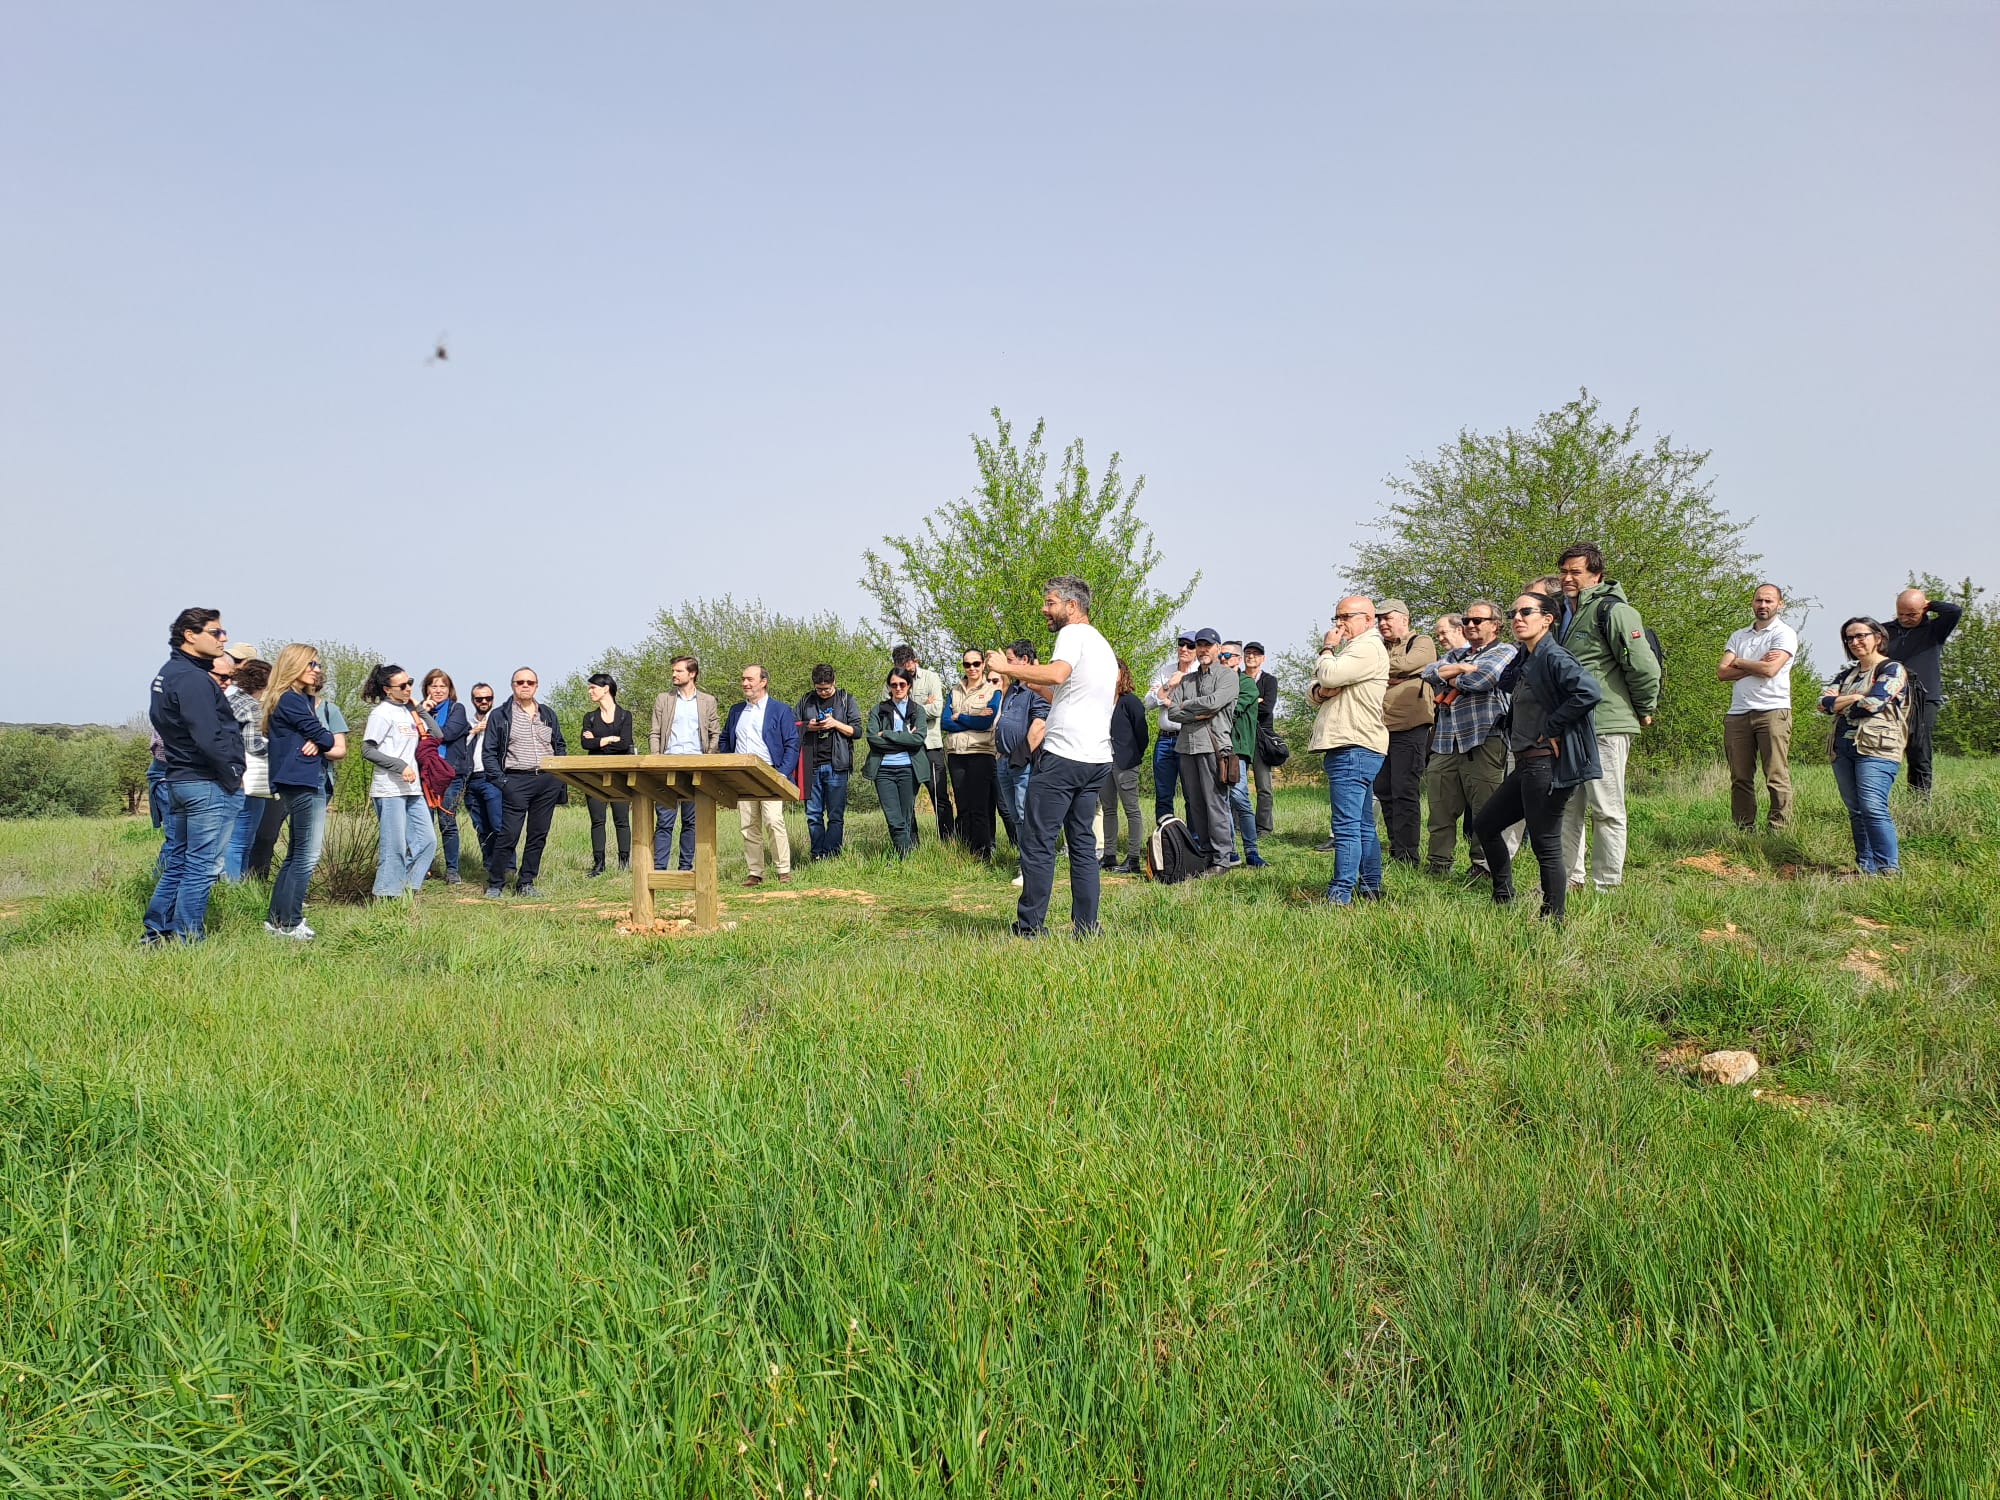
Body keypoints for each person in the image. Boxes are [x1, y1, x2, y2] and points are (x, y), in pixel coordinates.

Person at [995, 576, 1117, 938]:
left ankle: (1029, 928)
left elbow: (1058, 672)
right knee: (1081, 844)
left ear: (1072, 606)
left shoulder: (1072, 634)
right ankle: (1087, 928)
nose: (1044, 609)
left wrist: (1006, 667)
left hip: (1064, 756)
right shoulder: (1101, 645)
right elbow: (1067, 692)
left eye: (1050, 602)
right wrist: (1032, 683)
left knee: (1037, 841)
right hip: (1096, 758)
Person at [1473, 593, 1603, 924]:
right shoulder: (1529, 658)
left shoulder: (1555, 657)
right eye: (1513, 613)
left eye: (1526, 612)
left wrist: (1553, 726)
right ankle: (1503, 898)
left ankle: (1553, 918)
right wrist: (1522, 651)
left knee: (1546, 843)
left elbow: (1589, 692)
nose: (1517, 618)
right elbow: (1504, 682)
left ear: (1547, 619)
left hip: (1546, 764)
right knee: (1486, 825)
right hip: (1527, 764)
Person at [1555, 542, 1661, 893]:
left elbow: (1643, 666)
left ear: (1596, 575)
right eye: (1564, 571)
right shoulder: (1560, 611)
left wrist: (1644, 708)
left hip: (1607, 722)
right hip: (1568, 724)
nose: (1567, 578)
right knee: (1568, 808)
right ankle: (1569, 880)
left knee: (1606, 808)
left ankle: (1606, 886)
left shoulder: (1614, 611)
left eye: (1576, 572)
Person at [143, 607, 244, 945]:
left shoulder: (169, 673)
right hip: (206, 782)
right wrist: (233, 773)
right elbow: (208, 735)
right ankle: (187, 940)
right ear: (190, 635)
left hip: (180, 779)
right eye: (216, 632)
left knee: (178, 862)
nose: (223, 638)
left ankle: (156, 934)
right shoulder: (193, 679)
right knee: (201, 866)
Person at [1419, 601, 1515, 878]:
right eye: (1466, 620)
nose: (1470, 625)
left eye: (1477, 620)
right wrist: (1462, 669)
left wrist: (1450, 677)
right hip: (1445, 741)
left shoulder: (1506, 651)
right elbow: (1427, 673)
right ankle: (1439, 865)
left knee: (1486, 810)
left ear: (1495, 625)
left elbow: (1483, 680)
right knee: (1440, 810)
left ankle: (1483, 868)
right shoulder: (1456, 654)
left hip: (1484, 739)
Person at [1308, 598, 1390, 904]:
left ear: (1368, 619)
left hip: (1352, 746)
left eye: (1346, 616)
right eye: (1337, 617)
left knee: (1345, 827)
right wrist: (1320, 690)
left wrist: (1327, 648)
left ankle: (1339, 894)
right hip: (1357, 745)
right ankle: (1370, 888)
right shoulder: (1356, 649)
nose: (1339, 624)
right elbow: (1317, 688)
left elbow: (1328, 675)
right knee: (1363, 825)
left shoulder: (1366, 647)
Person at [1821, 617, 1910, 875]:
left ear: (1878, 638)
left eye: (1861, 635)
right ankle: (1866, 868)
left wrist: (1840, 703)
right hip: (1842, 748)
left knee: (1872, 806)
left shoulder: (1892, 669)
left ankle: (1888, 869)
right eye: (1849, 638)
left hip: (1877, 748)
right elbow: (1822, 704)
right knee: (1856, 810)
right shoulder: (1846, 675)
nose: (1854, 641)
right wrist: (1855, 696)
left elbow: (1874, 704)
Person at [262, 644, 338, 939]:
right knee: (306, 856)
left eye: (318, 665)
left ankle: (276, 920)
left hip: (294, 780)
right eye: (312, 664)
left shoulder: (294, 699)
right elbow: (327, 738)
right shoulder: (291, 700)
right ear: (294, 665)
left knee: (295, 854)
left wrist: (317, 739)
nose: (317, 670)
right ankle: (292, 923)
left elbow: (318, 738)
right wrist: (320, 739)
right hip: (303, 781)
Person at [1717, 584, 1797, 832]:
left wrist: (1740, 662)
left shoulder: (1784, 633)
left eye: (1769, 601)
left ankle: (1778, 830)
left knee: (1775, 774)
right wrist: (1754, 664)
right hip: (1738, 713)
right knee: (1740, 776)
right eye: (1759, 600)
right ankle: (1744, 829)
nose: (1763, 605)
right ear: (1752, 602)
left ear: (1780, 604)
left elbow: (1770, 670)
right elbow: (1722, 672)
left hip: (1772, 710)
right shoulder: (1739, 635)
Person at [484, 666, 567, 899]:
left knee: (538, 834)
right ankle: (495, 883)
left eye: (530, 682)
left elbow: (559, 744)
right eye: (520, 682)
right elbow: (489, 753)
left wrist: (559, 775)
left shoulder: (547, 714)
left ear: (536, 686)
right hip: (516, 780)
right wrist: (503, 782)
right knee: (509, 834)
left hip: (547, 781)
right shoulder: (500, 715)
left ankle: (526, 882)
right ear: (513, 685)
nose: (525, 686)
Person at [359, 664, 441, 901]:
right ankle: (386, 897)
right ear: (387, 689)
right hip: (389, 789)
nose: (408, 688)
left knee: (427, 841)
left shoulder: (409, 711)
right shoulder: (381, 713)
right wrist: (400, 766)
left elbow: (437, 735)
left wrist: (419, 709)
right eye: (402, 685)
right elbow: (367, 750)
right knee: (394, 846)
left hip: (413, 789)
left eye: (410, 683)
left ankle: (406, 889)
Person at [1166, 628, 1238, 876]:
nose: (1203, 650)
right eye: (1199, 645)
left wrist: (1187, 706)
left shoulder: (1227, 676)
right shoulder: (1187, 680)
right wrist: (1197, 711)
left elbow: (1215, 702)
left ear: (1218, 648)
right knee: (1195, 805)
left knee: (1215, 803)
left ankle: (1222, 859)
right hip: (1186, 747)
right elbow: (1172, 712)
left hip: (1213, 746)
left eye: (1208, 645)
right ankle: (1206, 854)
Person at [719, 664, 798, 886]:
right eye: (743, 679)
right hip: (742, 775)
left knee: (773, 820)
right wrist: (729, 764)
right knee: (748, 824)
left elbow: (792, 743)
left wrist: (782, 773)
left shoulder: (780, 710)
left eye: (750, 679)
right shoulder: (736, 711)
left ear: (763, 682)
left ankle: (783, 870)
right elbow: (725, 739)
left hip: (771, 773)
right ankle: (755, 872)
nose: (745, 683)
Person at [1373, 601, 1437, 867]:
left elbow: (1412, 662)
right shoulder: (1379, 647)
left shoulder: (1421, 641)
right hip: (1379, 729)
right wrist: (1399, 673)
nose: (1382, 623)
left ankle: (1408, 856)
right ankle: (1396, 848)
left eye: (1387, 618)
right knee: (1383, 789)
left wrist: (1380, 671)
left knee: (1404, 790)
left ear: (1404, 619)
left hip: (1410, 727)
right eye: (1379, 619)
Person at [1883, 586, 1963, 796]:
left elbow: (1954, 611)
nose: (1905, 619)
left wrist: (1930, 604)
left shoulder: (1935, 630)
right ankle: (1877, 798)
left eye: (1912, 614)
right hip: (1890, 696)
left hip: (1924, 698)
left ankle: (1919, 799)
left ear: (1924, 610)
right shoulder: (1885, 631)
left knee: (1918, 748)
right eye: (1901, 613)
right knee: (1883, 746)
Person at [647, 655, 720, 870]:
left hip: (696, 765)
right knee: (664, 820)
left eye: (679, 671)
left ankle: (685, 868)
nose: (674, 674)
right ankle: (659, 869)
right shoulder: (664, 699)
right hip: (668, 763)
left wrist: (708, 758)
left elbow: (715, 733)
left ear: (692, 673)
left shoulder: (708, 701)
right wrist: (656, 759)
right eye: (673, 671)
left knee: (691, 821)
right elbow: (655, 732)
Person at [939, 648, 1001, 861]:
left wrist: (960, 716)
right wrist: (971, 718)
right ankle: (965, 852)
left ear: (983, 664)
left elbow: (986, 723)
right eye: (967, 664)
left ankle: (983, 853)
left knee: (980, 807)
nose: (972, 668)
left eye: (976, 663)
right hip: (956, 753)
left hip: (981, 752)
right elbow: (945, 722)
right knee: (963, 805)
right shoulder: (955, 690)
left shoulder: (993, 691)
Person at [796, 664, 861, 860]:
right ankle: (817, 854)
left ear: (834, 682)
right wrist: (808, 726)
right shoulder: (806, 701)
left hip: (837, 765)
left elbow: (857, 731)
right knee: (813, 814)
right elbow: (791, 727)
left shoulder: (846, 699)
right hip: (811, 765)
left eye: (827, 688)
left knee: (835, 815)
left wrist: (835, 723)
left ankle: (832, 854)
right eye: (819, 689)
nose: (823, 692)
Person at [993, 641, 1049, 867]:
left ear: (1024, 660)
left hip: (1023, 762)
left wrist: (1020, 756)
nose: (1006, 664)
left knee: (1025, 813)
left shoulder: (1037, 689)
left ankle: (1033, 864)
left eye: (1009, 660)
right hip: (1004, 760)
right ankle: (1023, 860)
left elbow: (1039, 725)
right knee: (1015, 814)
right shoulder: (1013, 689)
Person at [863, 669, 928, 858]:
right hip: (883, 770)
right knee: (894, 818)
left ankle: (904, 859)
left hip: (909, 769)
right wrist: (905, 739)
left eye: (902, 684)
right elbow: (872, 739)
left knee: (906, 817)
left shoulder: (917, 710)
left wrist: (887, 734)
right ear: (889, 686)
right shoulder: (878, 710)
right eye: (894, 684)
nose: (898, 688)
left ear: (909, 685)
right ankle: (906, 856)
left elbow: (918, 739)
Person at [893, 644, 954, 843]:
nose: (905, 672)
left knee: (939, 796)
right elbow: (889, 712)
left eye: (908, 667)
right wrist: (921, 707)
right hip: (905, 748)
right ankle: (911, 845)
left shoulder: (931, 677)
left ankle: (948, 841)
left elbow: (936, 709)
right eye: (900, 668)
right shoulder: (893, 682)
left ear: (915, 662)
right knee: (906, 798)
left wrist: (908, 709)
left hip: (930, 747)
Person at [222, 653, 274, 881]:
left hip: (228, 774)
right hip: (250, 778)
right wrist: (280, 748)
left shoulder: (229, 700)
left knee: (233, 837)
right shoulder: (252, 706)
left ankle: (235, 885)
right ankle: (235, 886)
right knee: (242, 839)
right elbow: (254, 745)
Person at [579, 671, 634, 876]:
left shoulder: (625, 715)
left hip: (619, 775)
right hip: (594, 775)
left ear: (606, 689)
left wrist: (598, 741)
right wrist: (610, 739)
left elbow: (625, 744)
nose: (589, 691)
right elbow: (585, 743)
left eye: (593, 687)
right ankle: (599, 864)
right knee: (597, 820)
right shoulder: (590, 717)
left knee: (622, 819)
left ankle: (624, 863)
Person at [1099, 658, 1149, 873]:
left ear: (1122, 674)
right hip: (1104, 759)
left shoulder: (1131, 701)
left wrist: (1133, 755)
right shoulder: (1100, 701)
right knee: (1108, 808)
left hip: (1125, 762)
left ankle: (1133, 857)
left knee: (1131, 809)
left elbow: (1142, 734)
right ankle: (1109, 855)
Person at [420, 669, 471, 884]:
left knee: (446, 821)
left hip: (450, 773)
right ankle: (424, 868)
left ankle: (452, 870)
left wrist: (423, 723)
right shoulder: (419, 710)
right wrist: (422, 712)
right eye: (434, 686)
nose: (438, 690)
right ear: (426, 689)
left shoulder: (456, 709)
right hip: (425, 773)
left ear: (450, 690)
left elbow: (447, 734)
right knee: (423, 823)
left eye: (443, 686)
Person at [1220, 642, 1266, 867]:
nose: (1223, 658)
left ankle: (1252, 851)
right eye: (1221, 655)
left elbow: (1233, 709)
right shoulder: (1216, 681)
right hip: (1216, 747)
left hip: (1237, 750)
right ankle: (1230, 851)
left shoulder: (1246, 683)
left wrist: (1213, 703)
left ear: (1238, 659)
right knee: (1222, 800)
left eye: (1228, 655)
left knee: (1239, 797)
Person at [1148, 635, 1196, 825]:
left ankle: (1195, 839)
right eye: (1181, 644)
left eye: (1190, 646)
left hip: (1188, 737)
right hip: (1165, 739)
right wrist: (1169, 684)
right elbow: (1149, 702)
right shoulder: (1166, 671)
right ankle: (1166, 836)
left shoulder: (1199, 673)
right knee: (1163, 794)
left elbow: (1196, 707)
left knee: (1191, 794)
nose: (1184, 649)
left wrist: (1167, 701)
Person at [460, 682, 504, 873]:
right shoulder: (466, 724)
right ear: (473, 700)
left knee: (498, 824)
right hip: (471, 779)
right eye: (479, 699)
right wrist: (474, 731)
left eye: (488, 698)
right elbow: (457, 750)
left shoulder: (500, 721)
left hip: (492, 778)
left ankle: (507, 866)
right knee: (481, 826)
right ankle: (488, 866)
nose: (484, 701)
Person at [1242, 642, 1280, 835]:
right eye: (1248, 653)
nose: (1251, 656)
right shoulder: (1237, 679)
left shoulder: (1269, 681)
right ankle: (1237, 826)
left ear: (1262, 658)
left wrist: (1245, 702)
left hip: (1262, 738)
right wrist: (1255, 700)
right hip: (1241, 737)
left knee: (1264, 786)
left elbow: (1267, 708)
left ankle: (1264, 827)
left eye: (1256, 654)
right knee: (1236, 785)